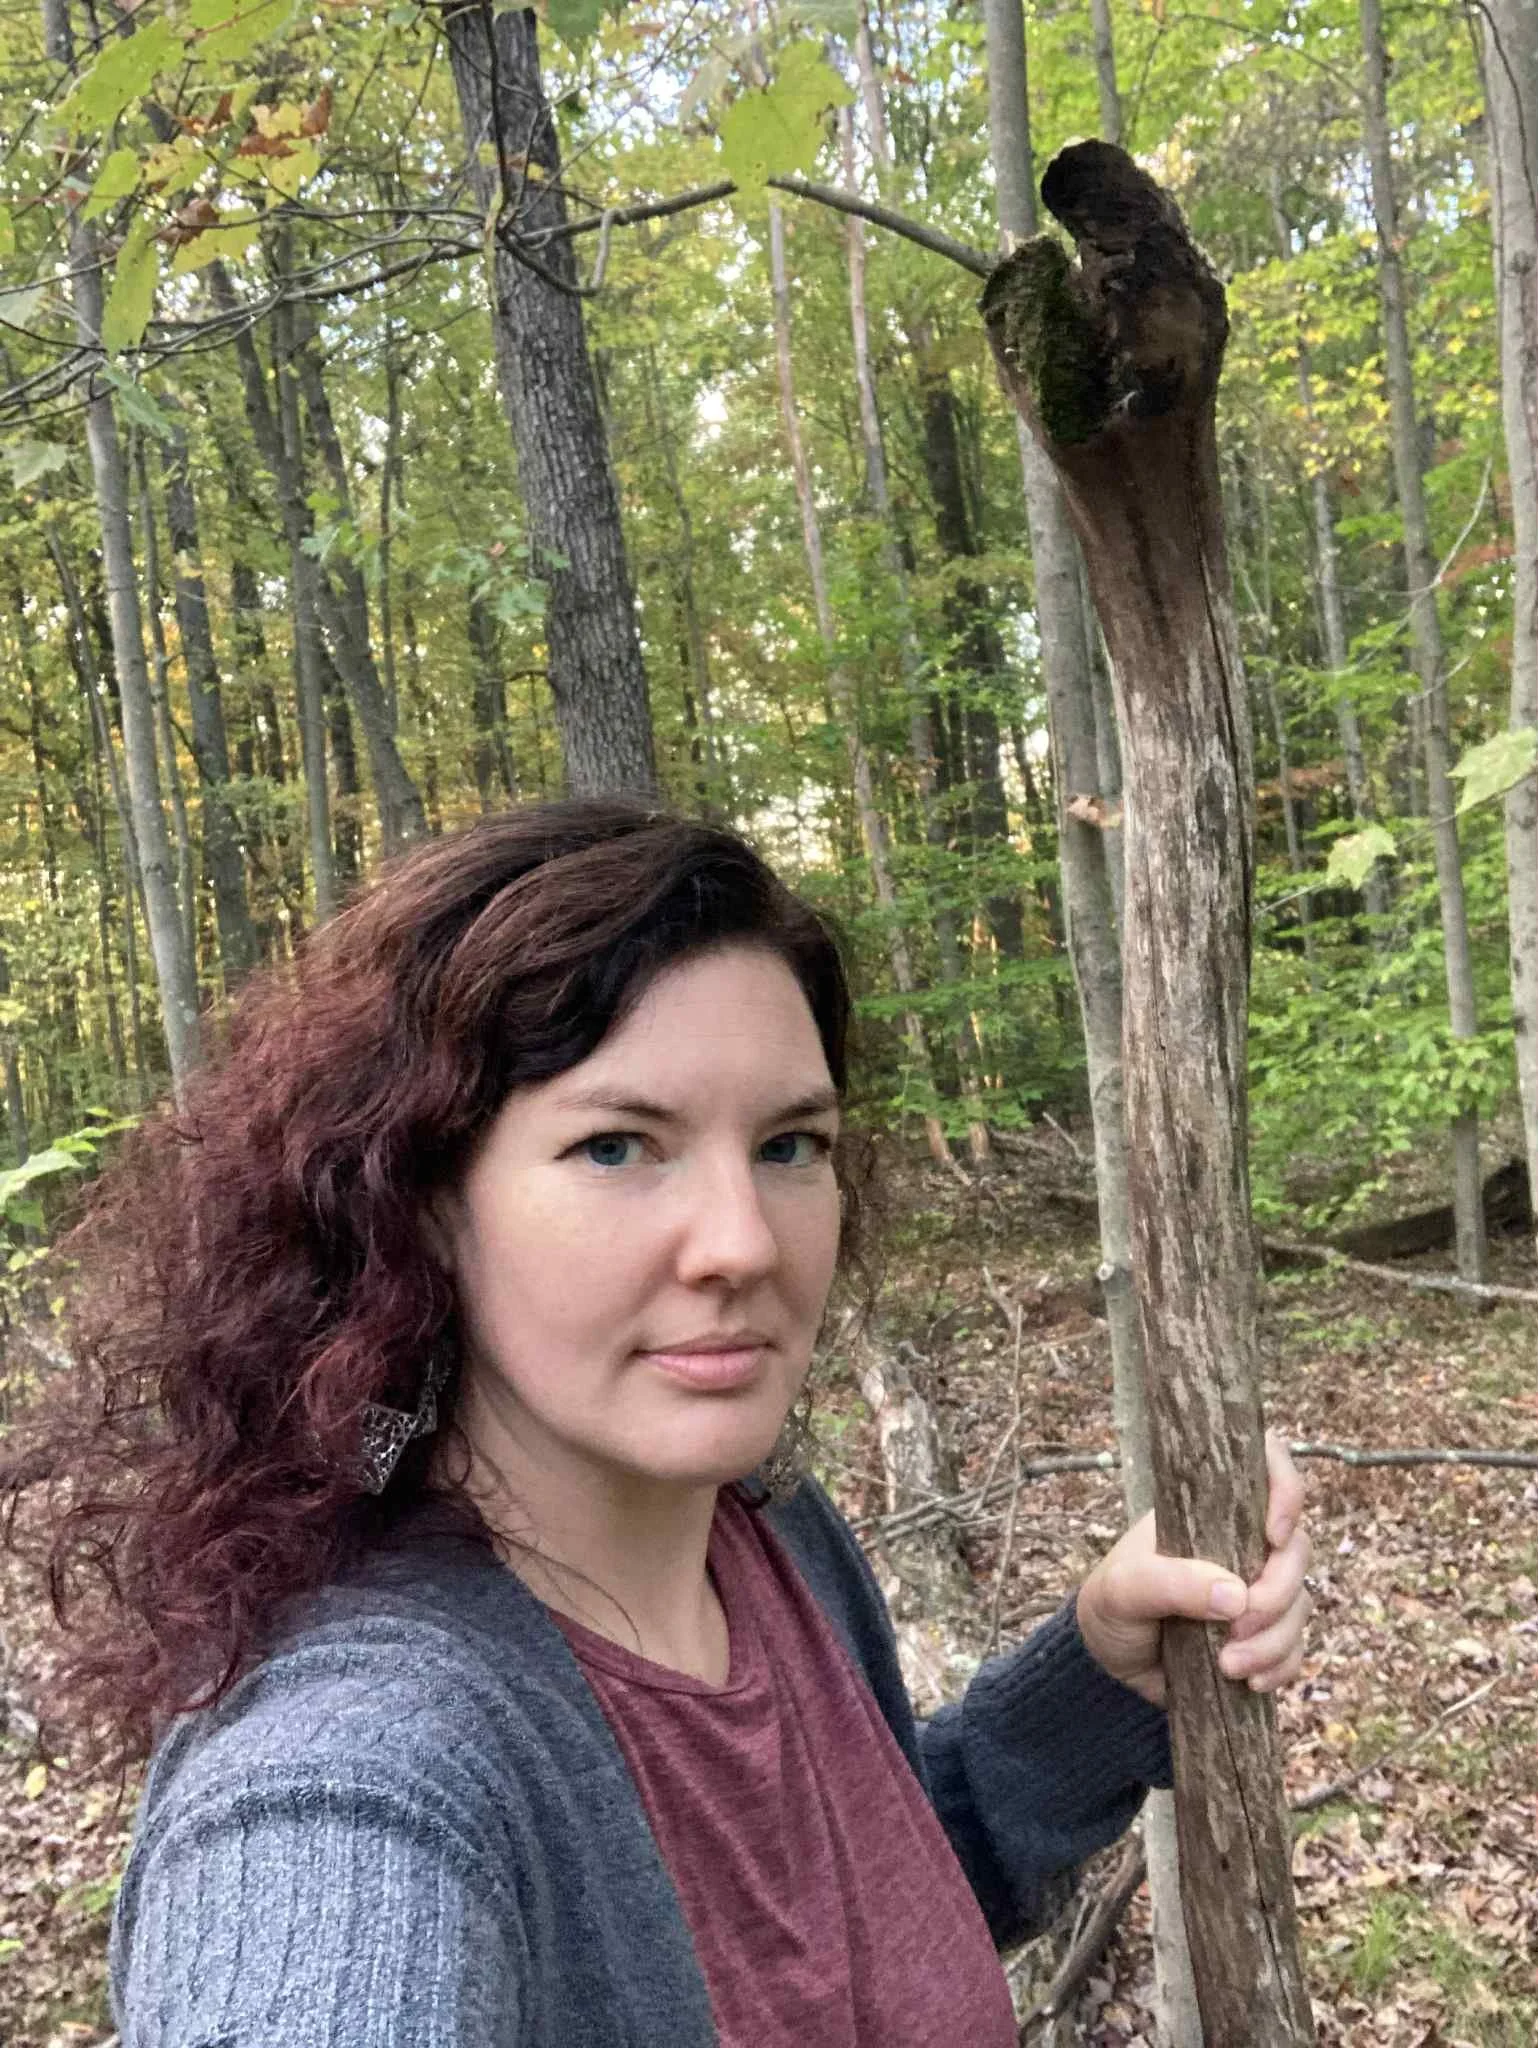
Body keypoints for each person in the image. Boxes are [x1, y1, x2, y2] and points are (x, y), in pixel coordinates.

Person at [16, 800, 1312, 2047]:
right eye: (618, 1147)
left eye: (790, 1145)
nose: (741, 1243)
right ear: (417, 1201)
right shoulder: (355, 1768)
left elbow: (859, 1936)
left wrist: (1098, 1676)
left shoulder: (772, 1540)